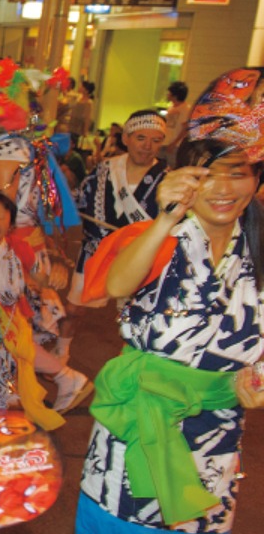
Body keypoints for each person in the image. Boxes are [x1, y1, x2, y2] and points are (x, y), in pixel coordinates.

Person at [76, 137, 264, 534]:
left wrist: (257, 379)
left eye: (238, 173)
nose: (223, 188)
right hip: (144, 416)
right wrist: (164, 218)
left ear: (256, 180)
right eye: (206, 175)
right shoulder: (158, 236)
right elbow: (118, 285)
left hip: (217, 426)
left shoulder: (257, 246)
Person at [0, 193, 88, 414]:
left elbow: (41, 276)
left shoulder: (17, 248)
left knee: (9, 371)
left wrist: (53, 275)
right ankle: (66, 378)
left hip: (8, 325)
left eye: (2, 218)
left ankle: (66, 378)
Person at [66, 110, 168, 362]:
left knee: (134, 316)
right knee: (73, 307)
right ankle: (61, 352)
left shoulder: (167, 178)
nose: (147, 146)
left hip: (140, 257)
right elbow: (79, 200)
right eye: (141, 138)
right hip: (96, 249)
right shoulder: (104, 170)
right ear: (126, 138)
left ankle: (128, 364)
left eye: (156, 140)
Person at [161, 80, 191, 166]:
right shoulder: (171, 107)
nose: (167, 94)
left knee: (172, 165)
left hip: (175, 145)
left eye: (169, 93)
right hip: (165, 142)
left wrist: (174, 143)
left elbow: (185, 129)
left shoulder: (185, 109)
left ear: (175, 95)